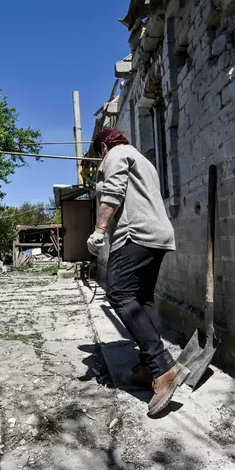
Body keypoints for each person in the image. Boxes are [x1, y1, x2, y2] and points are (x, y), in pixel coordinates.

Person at [87, 127, 186, 416]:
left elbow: (113, 191)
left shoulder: (115, 154)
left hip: (135, 234)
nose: (99, 159)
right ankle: (148, 367)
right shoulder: (144, 161)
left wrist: (99, 231)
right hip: (159, 235)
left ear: (103, 145)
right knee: (142, 299)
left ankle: (163, 366)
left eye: (97, 154)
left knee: (118, 293)